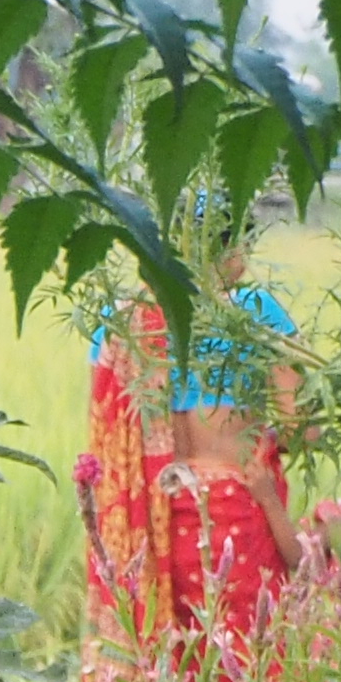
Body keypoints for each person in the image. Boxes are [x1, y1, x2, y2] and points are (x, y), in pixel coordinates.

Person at [80, 238, 298, 654]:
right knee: (245, 672)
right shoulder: (254, 313)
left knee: (167, 680)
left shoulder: (119, 324)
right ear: (226, 249)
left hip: (149, 532)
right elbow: (299, 430)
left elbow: (108, 443)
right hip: (237, 522)